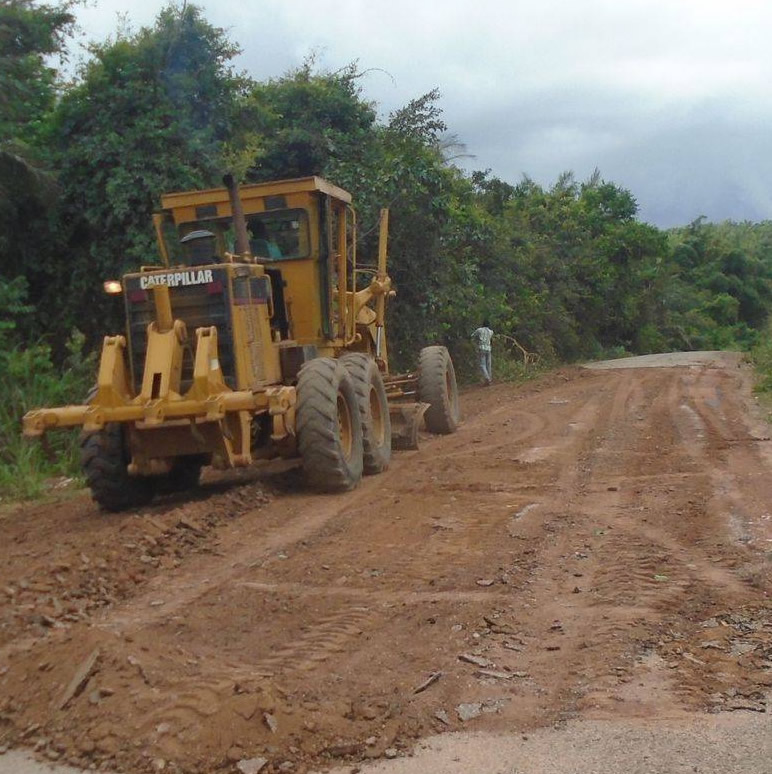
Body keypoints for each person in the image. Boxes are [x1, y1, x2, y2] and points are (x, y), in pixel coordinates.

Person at [472, 320, 494, 385]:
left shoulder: (479, 330)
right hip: (489, 348)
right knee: (488, 364)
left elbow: (473, 335)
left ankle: (487, 378)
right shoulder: (491, 332)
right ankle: (489, 378)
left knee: (482, 364)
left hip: (481, 348)